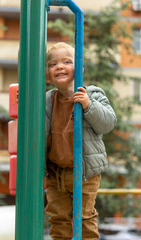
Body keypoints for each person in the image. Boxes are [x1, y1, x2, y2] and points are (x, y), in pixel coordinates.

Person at [45, 42, 117, 240]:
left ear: (80, 68)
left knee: (84, 218)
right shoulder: (47, 100)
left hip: (84, 172)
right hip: (55, 173)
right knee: (58, 219)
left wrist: (88, 106)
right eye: (52, 64)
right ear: (48, 74)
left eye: (66, 62)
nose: (59, 66)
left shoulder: (93, 94)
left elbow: (108, 123)